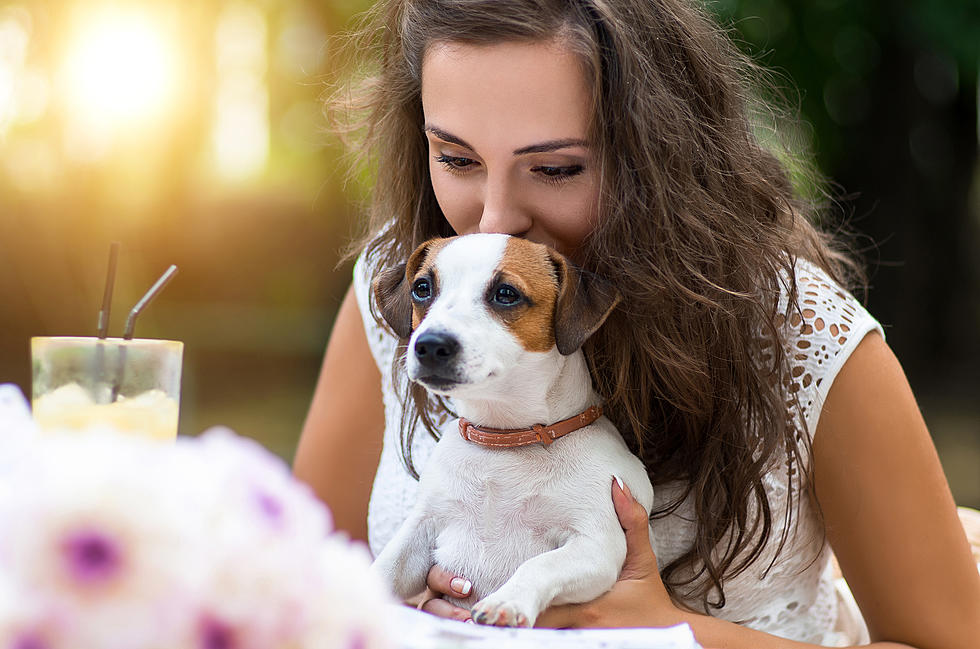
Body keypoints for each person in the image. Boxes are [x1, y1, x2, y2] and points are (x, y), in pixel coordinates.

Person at [292, 0, 980, 646]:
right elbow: (295, 593)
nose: (495, 217)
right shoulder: (410, 293)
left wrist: (665, 630)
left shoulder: (807, 341)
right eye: (457, 158)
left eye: (556, 167)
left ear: (661, 158)